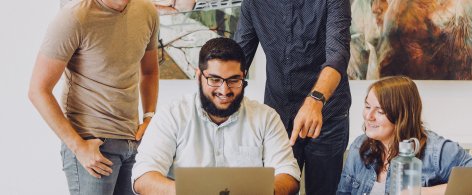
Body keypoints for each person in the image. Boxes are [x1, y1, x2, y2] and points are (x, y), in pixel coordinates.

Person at [131, 37, 300, 195]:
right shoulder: (172, 115)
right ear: (198, 77)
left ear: (244, 76)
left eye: (234, 80)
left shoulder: (266, 118)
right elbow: (143, 177)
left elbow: (289, 174)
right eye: (214, 79)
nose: (224, 90)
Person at [28, 0, 159, 194]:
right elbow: (38, 90)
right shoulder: (74, 17)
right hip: (93, 145)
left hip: (133, 143)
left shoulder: (147, 11)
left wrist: (149, 117)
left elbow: (150, 72)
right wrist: (78, 147)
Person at [234, 0, 352, 194]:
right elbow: (238, 57)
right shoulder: (254, 3)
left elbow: (338, 54)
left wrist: (315, 101)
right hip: (278, 116)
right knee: (276, 189)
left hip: (327, 114)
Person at [337, 76, 472, 195]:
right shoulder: (359, 146)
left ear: (402, 115)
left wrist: (421, 192)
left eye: (380, 111)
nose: (369, 116)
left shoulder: (437, 151)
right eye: (367, 106)